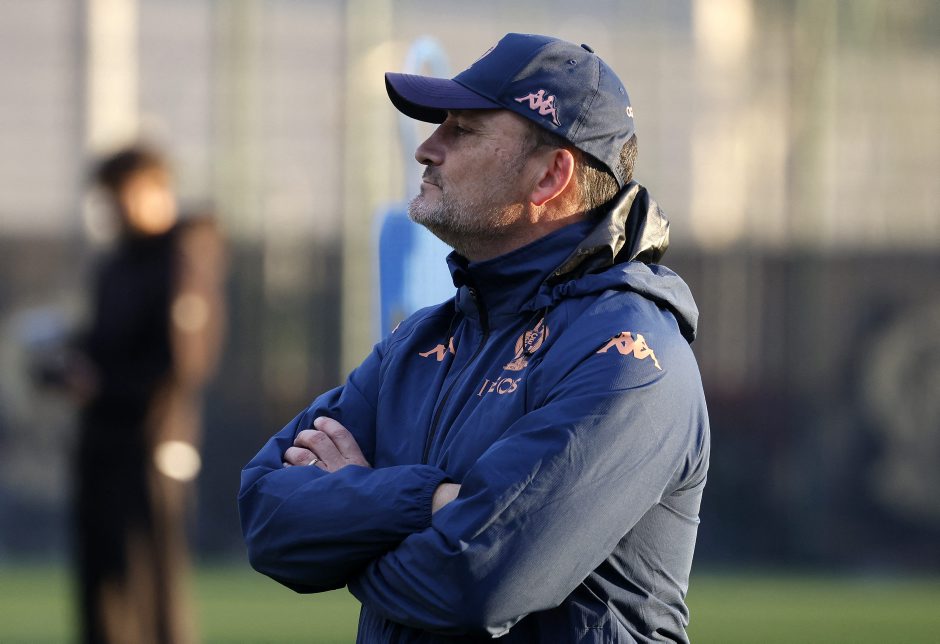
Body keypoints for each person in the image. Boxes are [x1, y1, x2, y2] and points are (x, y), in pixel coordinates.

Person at [239, 33, 709, 643]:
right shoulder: (420, 342)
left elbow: (473, 584)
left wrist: (353, 529)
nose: (426, 149)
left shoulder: (629, 355)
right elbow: (267, 515)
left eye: (462, 130)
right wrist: (433, 501)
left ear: (550, 175)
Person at [73, 145, 226, 643]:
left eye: (123, 195)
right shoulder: (117, 264)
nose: (115, 209)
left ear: (156, 191)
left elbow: (182, 366)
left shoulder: (181, 260)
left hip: (155, 445)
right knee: (104, 585)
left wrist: (102, 385)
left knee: (150, 586)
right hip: (103, 444)